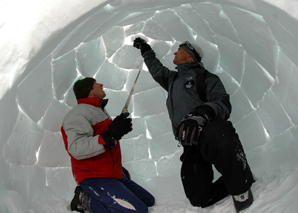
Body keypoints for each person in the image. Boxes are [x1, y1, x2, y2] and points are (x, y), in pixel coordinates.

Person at [133, 37, 255, 213]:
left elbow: (223, 102)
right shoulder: (173, 80)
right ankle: (242, 175)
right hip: (189, 143)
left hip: (207, 131)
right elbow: (156, 69)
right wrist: (145, 50)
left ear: (190, 55)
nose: (175, 52)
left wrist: (203, 113)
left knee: (221, 132)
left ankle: (241, 187)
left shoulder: (205, 77)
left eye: (179, 50)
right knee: (199, 197)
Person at [61, 77, 155, 213]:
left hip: (110, 174)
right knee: (139, 210)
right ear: (89, 91)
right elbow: (76, 147)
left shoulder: (99, 111)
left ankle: (105, 194)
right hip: (94, 177)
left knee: (148, 200)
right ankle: (84, 199)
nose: (101, 84)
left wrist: (116, 129)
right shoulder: (77, 114)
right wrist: (109, 136)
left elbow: (107, 141)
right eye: (95, 84)